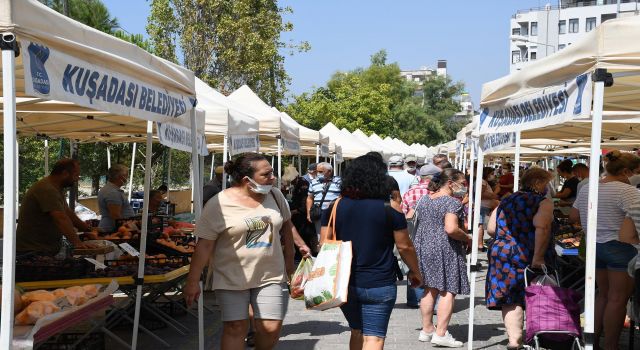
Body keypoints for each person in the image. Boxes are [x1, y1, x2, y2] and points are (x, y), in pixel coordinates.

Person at [183, 153, 308, 350]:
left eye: (272, 173)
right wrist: (192, 281)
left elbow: (286, 225)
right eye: (266, 174)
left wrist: (291, 261)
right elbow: (204, 245)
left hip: (271, 275)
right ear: (246, 180)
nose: (273, 177)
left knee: (270, 328)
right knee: (235, 327)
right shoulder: (218, 204)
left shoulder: (275, 196)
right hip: (231, 276)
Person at [320, 154, 422, 350]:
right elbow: (404, 247)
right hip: (379, 281)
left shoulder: (335, 206)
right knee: (373, 337)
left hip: (344, 282)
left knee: (356, 330)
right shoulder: (390, 208)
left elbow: (325, 243)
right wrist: (416, 272)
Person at [570, 150, 640, 350]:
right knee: (617, 299)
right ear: (626, 171)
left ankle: (593, 340)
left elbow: (573, 217)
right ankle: (611, 345)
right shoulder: (628, 192)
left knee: (603, 294)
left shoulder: (587, 188)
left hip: (594, 246)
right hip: (620, 247)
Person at [484, 168, 555, 350]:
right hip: (528, 252)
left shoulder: (507, 199)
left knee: (510, 297)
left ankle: (514, 340)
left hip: (502, 251)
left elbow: (491, 229)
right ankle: (535, 335)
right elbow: (542, 228)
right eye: (546, 183)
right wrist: (538, 257)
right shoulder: (543, 202)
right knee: (535, 293)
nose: (548, 187)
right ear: (539, 183)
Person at [414, 168, 470, 348]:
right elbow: (451, 229)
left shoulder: (424, 199)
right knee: (448, 290)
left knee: (430, 289)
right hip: (445, 248)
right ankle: (441, 333)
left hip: (424, 246)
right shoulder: (452, 202)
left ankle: (427, 329)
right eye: (461, 183)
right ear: (450, 183)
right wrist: (467, 238)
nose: (463, 187)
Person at [16, 159, 94, 254]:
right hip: (32, 251)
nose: (77, 178)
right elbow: (60, 218)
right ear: (65, 173)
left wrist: (88, 229)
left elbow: (67, 213)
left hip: (43, 249)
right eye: (76, 175)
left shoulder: (56, 188)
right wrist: (78, 243)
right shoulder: (47, 189)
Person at [402, 163, 442, 308]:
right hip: (435, 235)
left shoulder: (409, 192)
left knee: (413, 264)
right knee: (434, 267)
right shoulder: (439, 193)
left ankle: (414, 299)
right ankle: (434, 302)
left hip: (413, 234)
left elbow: (403, 215)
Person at [306, 162, 341, 241]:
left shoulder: (338, 181)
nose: (318, 174)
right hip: (319, 214)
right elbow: (309, 198)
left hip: (335, 214)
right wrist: (309, 213)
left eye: (321, 172)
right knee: (321, 237)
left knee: (335, 236)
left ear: (329, 171)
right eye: (317, 171)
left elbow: (343, 195)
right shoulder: (314, 182)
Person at [97, 164, 135, 233]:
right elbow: (116, 215)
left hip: (113, 229)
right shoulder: (112, 192)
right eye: (126, 175)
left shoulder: (110, 189)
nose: (127, 178)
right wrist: (128, 229)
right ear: (121, 177)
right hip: (112, 230)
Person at [478, 167, 500, 251]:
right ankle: (480, 245)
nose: (493, 175)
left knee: (482, 225)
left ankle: (480, 244)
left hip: (485, 206)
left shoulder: (485, 182)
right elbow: (481, 194)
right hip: (483, 206)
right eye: (491, 173)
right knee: (481, 225)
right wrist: (494, 195)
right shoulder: (483, 182)